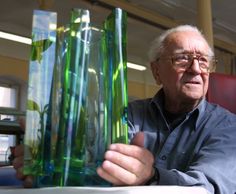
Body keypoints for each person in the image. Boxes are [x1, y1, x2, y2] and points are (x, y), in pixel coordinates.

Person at [13, 25, 236, 194]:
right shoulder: (128, 114)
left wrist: (152, 176)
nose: (196, 69)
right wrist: (56, 159)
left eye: (203, 61)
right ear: (156, 71)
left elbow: (208, 186)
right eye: (182, 59)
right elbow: (93, 157)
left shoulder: (228, 126)